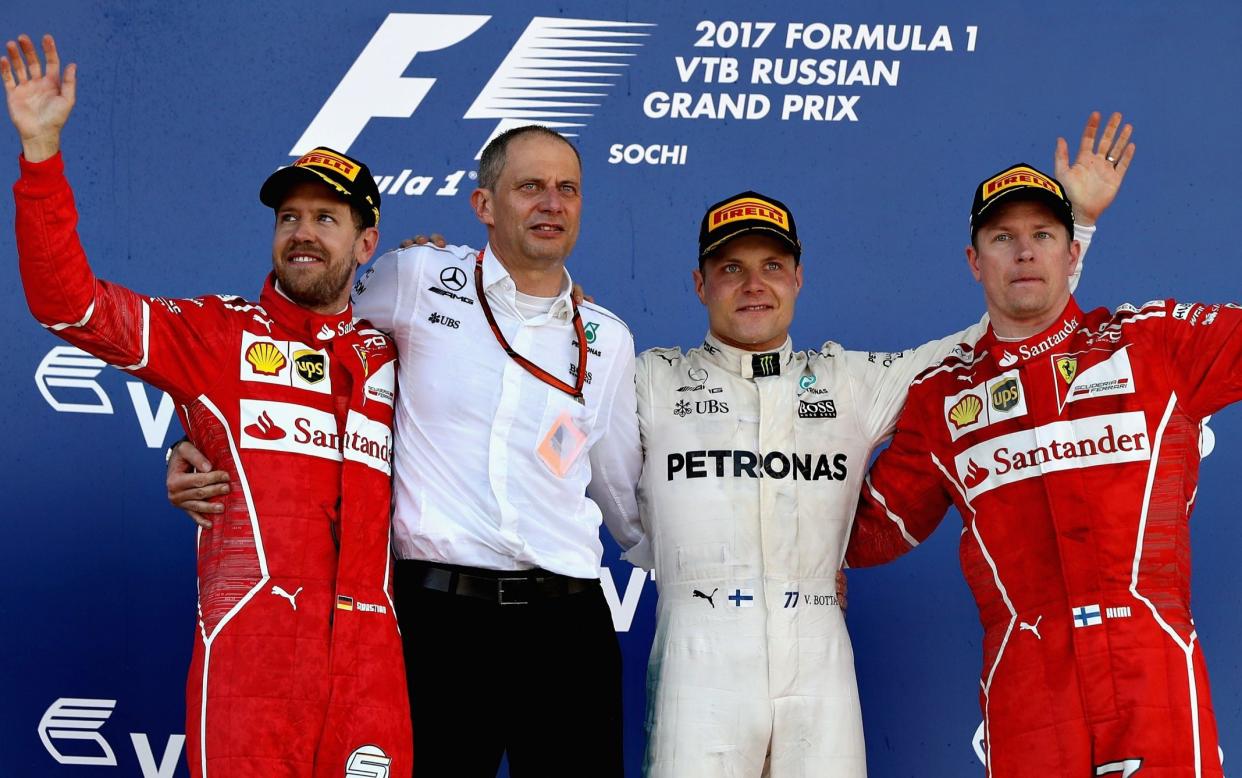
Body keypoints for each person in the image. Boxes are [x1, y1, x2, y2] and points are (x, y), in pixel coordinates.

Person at [637, 114, 1132, 778]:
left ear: (798, 279)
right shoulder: (649, 378)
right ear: (701, 284)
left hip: (817, 648)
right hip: (698, 647)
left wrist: (1080, 228)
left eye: (772, 266)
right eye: (731, 268)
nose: (754, 285)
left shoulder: (848, 380)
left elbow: (1000, 327)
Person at [174, 125, 645, 776]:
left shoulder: (608, 338)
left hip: (566, 627)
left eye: (567, 189)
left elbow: (624, 492)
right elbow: (306, 345)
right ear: (484, 206)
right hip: (439, 623)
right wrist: (195, 441)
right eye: (529, 186)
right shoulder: (416, 277)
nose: (551, 203)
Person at [3, 33, 410, 778]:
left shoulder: (397, 349)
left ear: (365, 242)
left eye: (327, 219)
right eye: (289, 218)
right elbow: (69, 305)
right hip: (253, 662)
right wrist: (40, 157)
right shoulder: (218, 335)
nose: (303, 234)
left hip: (370, 670)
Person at [843, 156, 1240, 777]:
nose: (1024, 253)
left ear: (1073, 252)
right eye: (1003, 238)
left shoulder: (1153, 344)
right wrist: (796, 561)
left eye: (1043, 236)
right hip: (1028, 683)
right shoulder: (942, 398)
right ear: (975, 262)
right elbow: (875, 529)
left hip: (1153, 665)